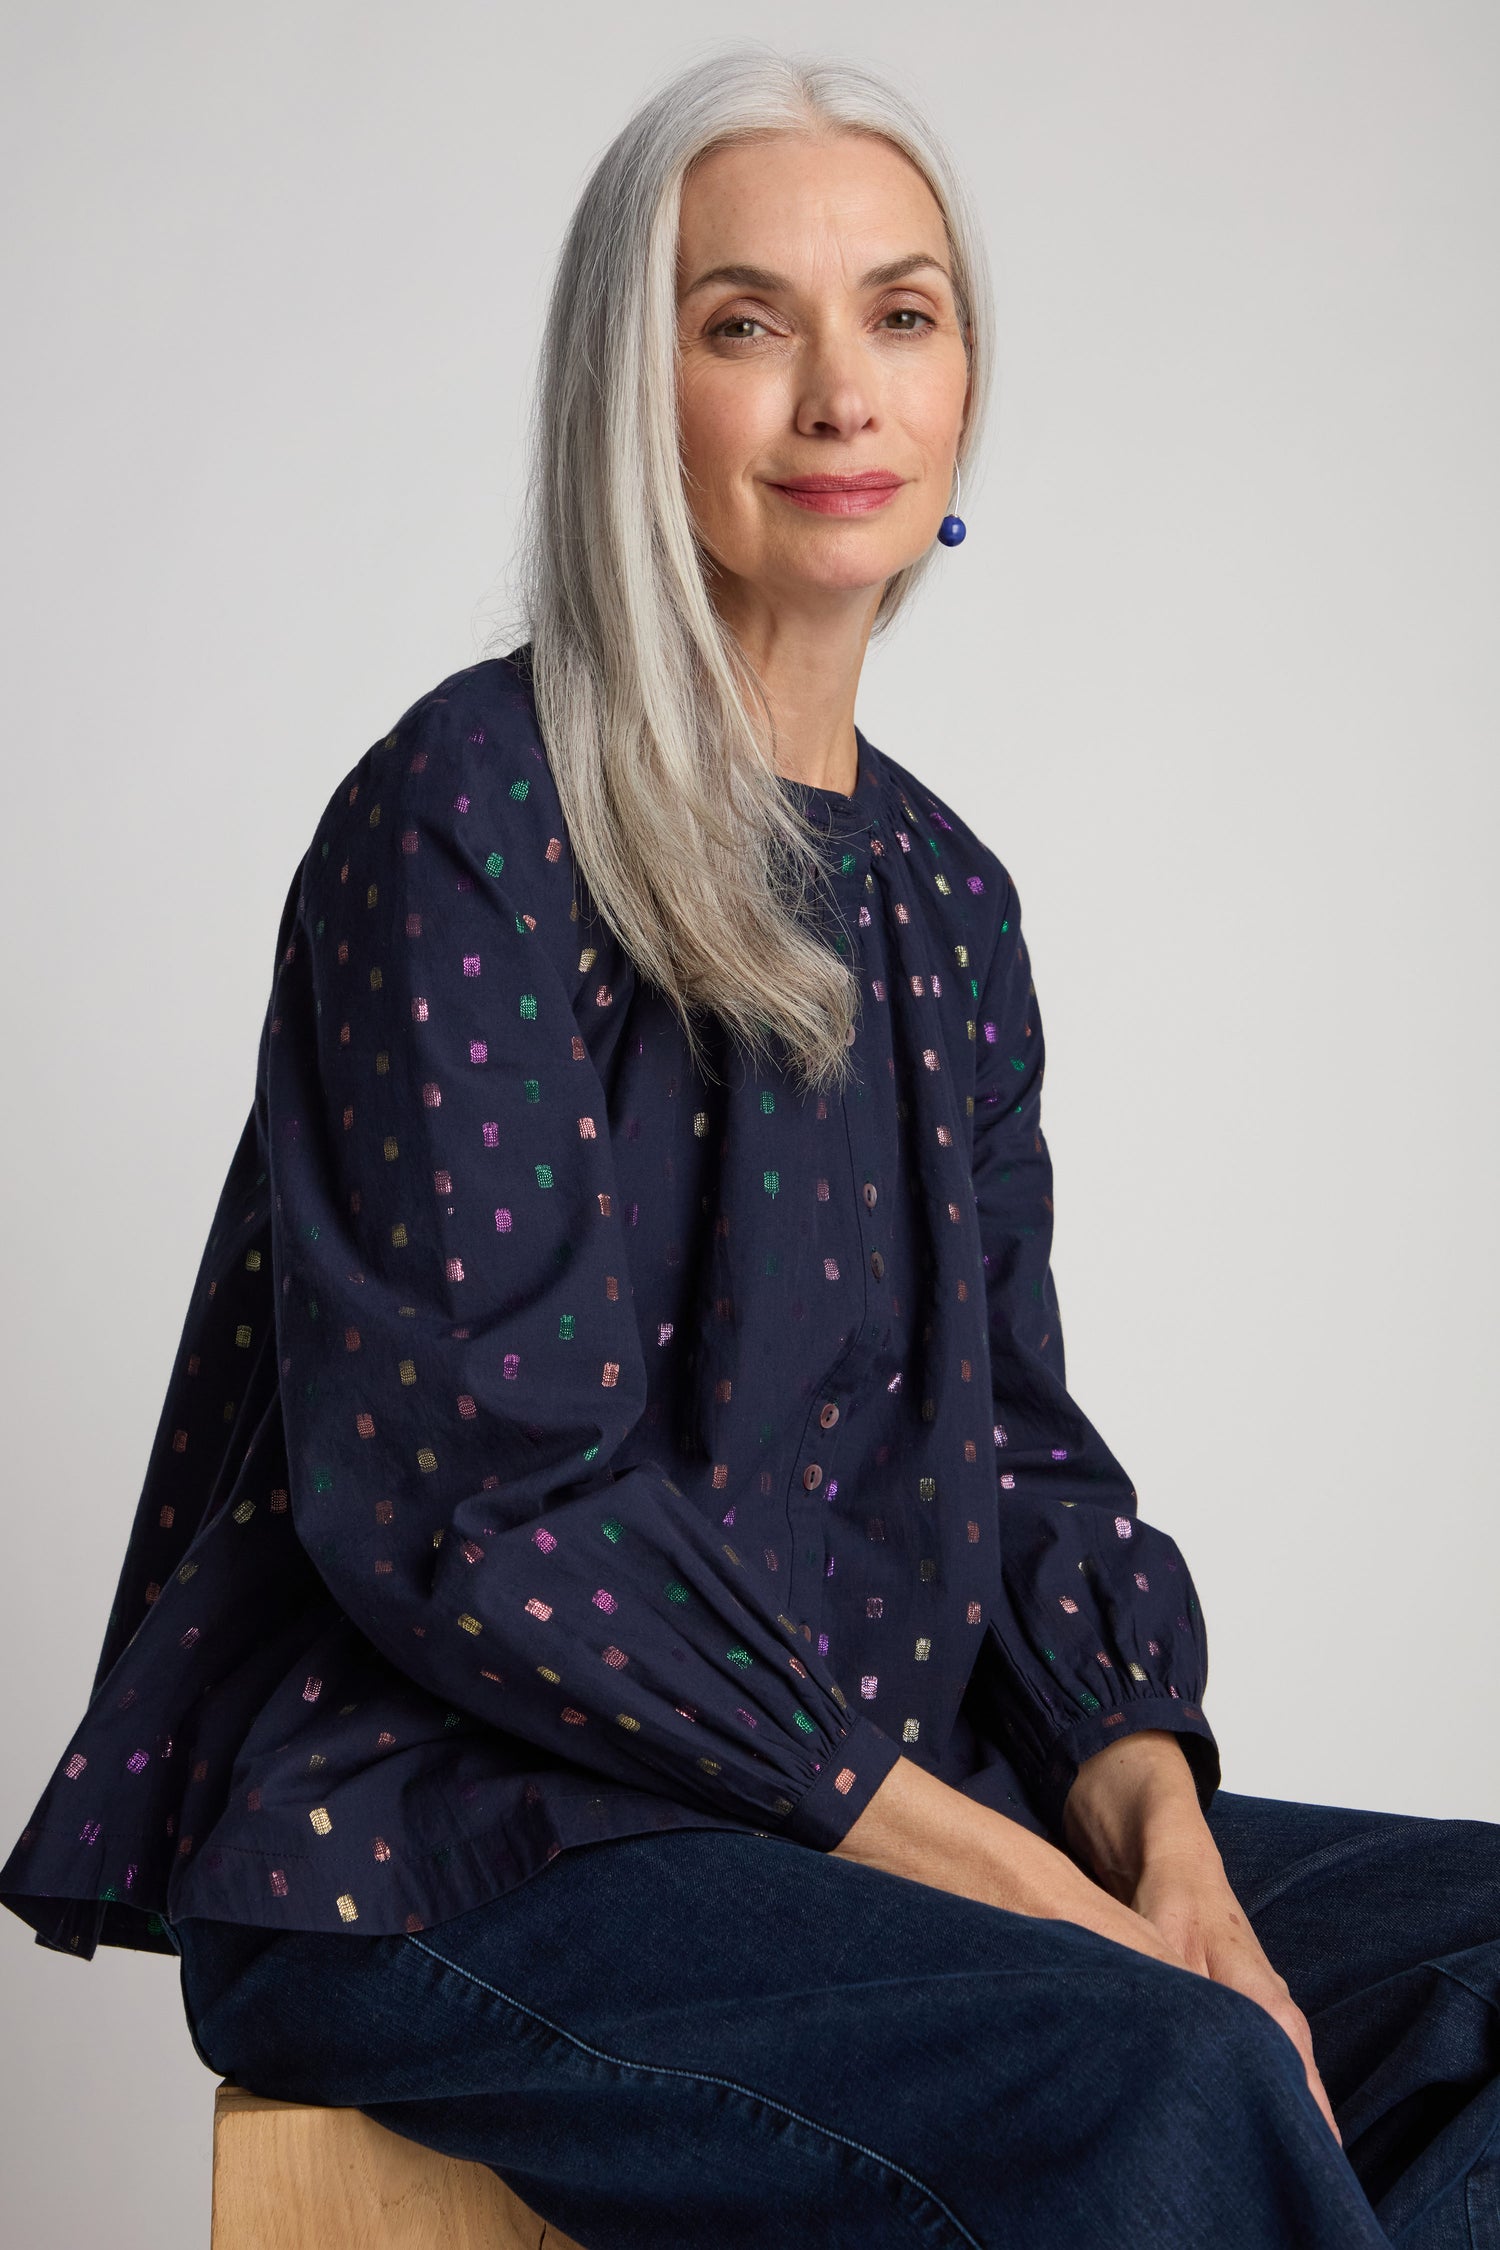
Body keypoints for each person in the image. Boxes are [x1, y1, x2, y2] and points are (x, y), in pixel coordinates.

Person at [3, 44, 1496, 2250]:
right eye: (742, 322)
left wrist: (1162, 1844)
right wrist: (1038, 1901)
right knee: (1153, 2070)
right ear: (633, 393)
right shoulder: (470, 814)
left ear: (967, 384)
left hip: (855, 1800)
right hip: (459, 1834)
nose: (837, 395)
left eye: (900, 313)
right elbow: (487, 1513)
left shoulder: (951, 903)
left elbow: (1027, 1472)